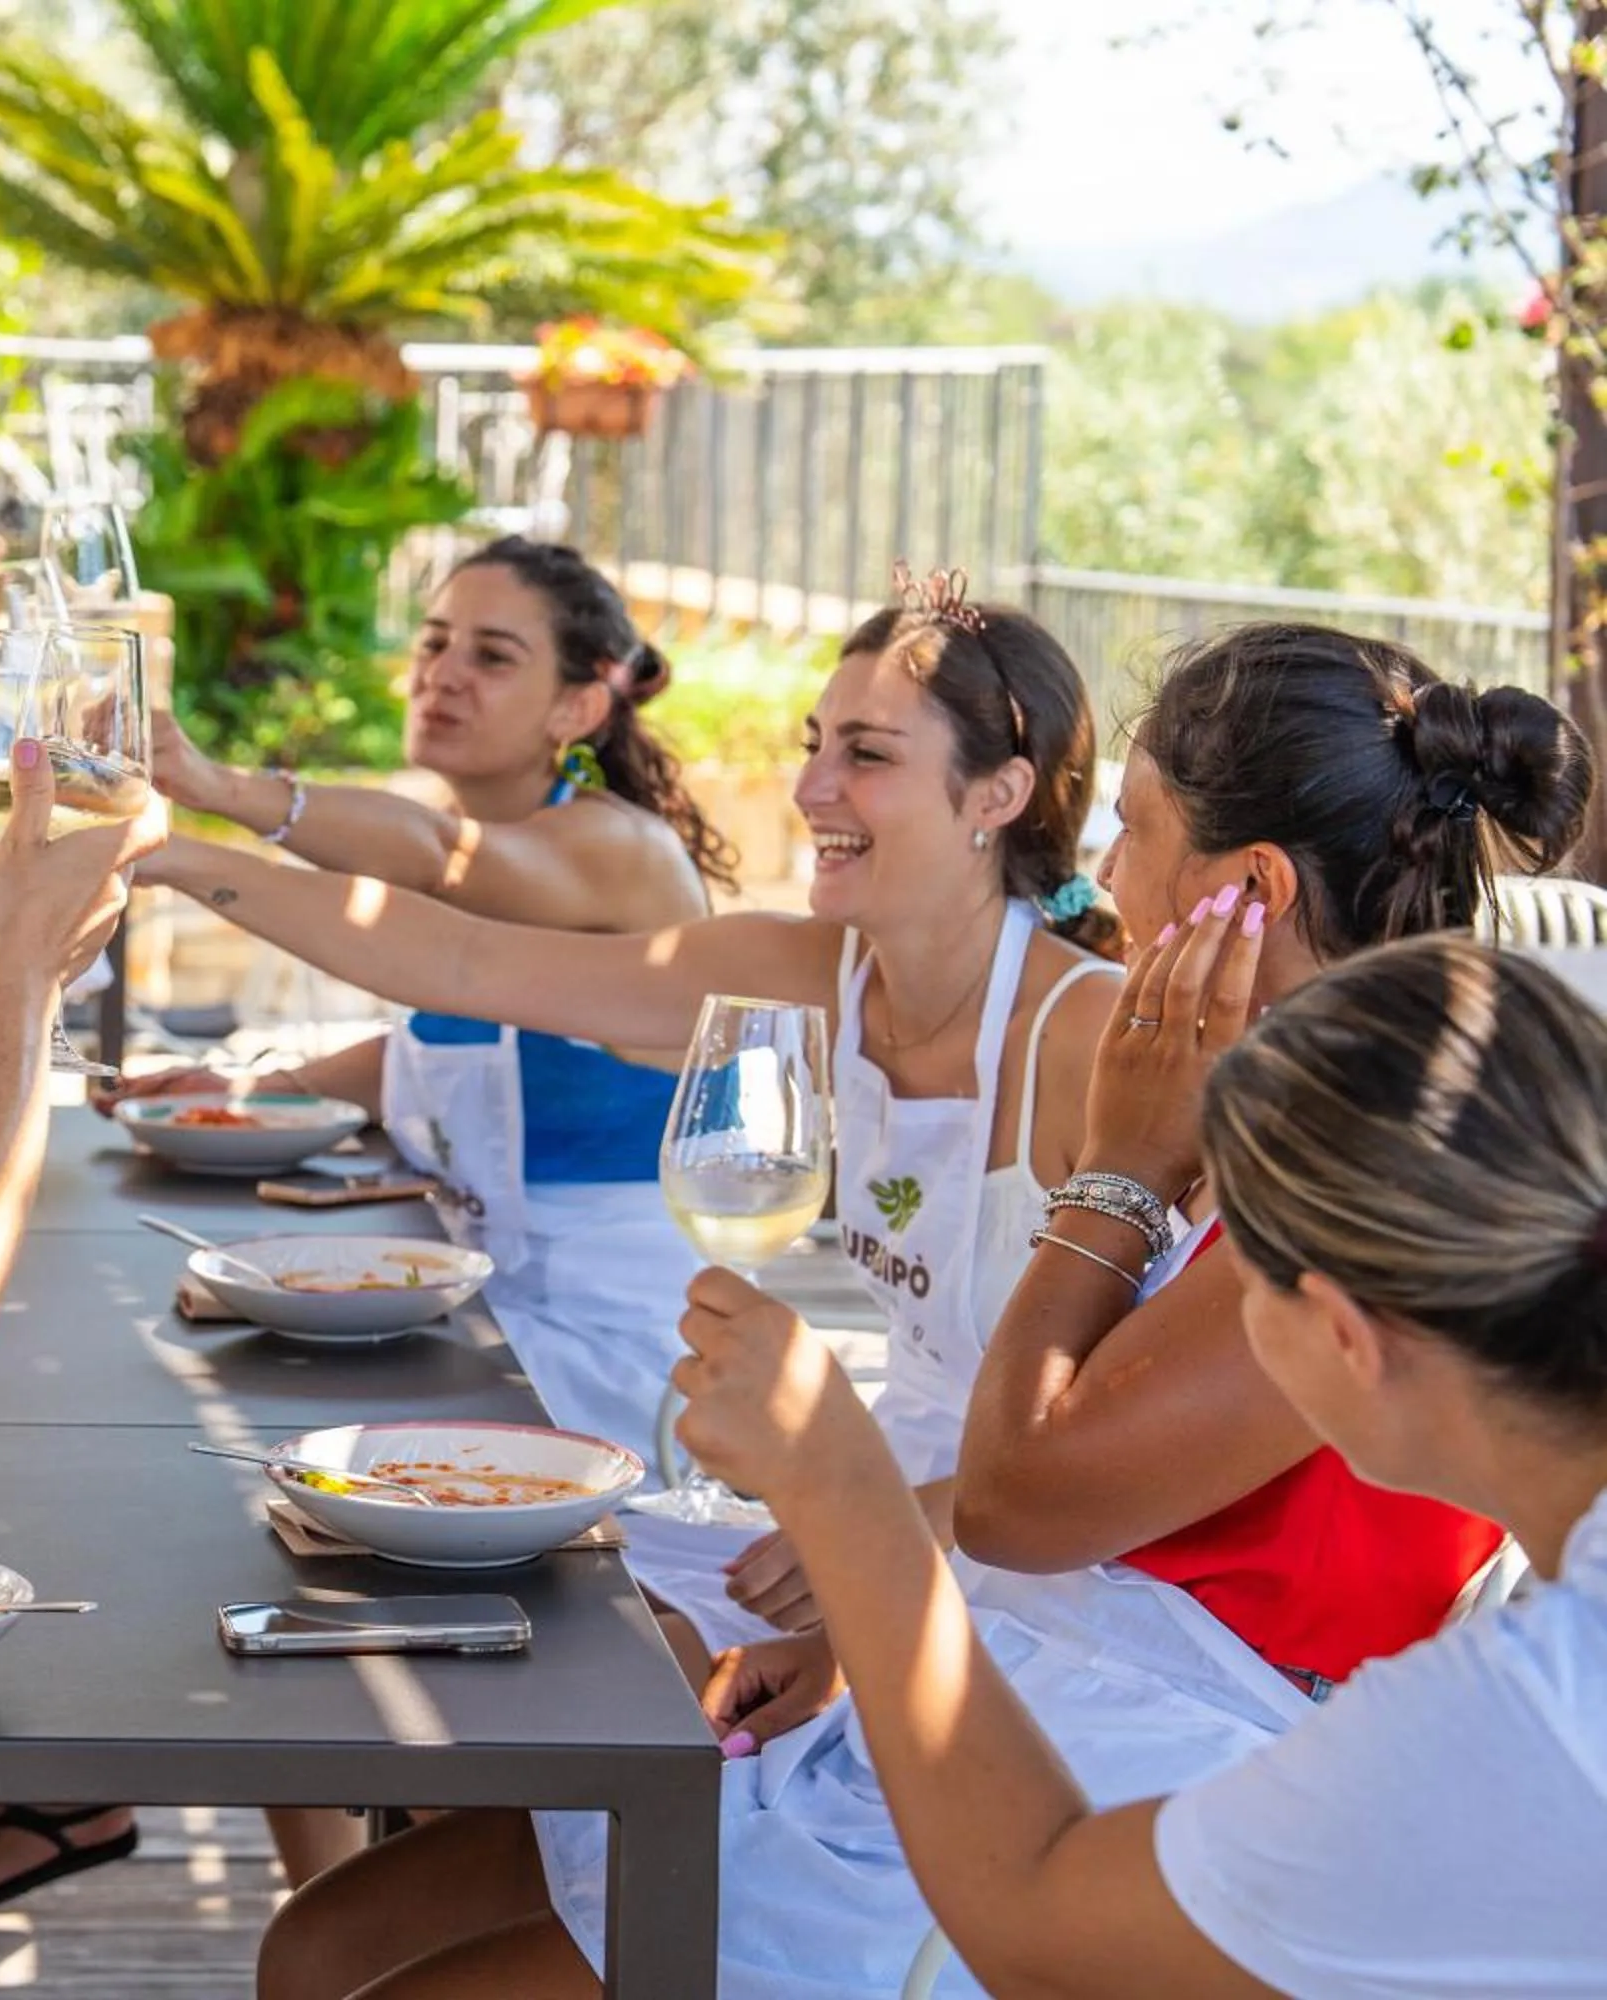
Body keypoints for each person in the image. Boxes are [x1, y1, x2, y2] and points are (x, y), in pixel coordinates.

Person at [252, 623, 1589, 1998]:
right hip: (1003, 1671)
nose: (1105, 873)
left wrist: (1119, 1177)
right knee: (320, 1949)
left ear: (1250, 883)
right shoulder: (1254, 1100)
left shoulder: (1353, 1168)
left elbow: (1017, 1497)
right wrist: (848, 1626)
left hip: (1140, 1775)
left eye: (1134, 830)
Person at [0, 536, 729, 1915]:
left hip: (603, 1352)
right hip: (488, 1314)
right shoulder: (499, 859)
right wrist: (257, 1076)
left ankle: (192, 1807)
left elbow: (440, 870)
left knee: (255, 1479)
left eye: (491, 655)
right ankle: (310, 1870)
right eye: (436, 641)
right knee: (237, 1441)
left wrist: (204, 797)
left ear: (586, 705)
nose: (442, 673)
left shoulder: (613, 852)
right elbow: (455, 1029)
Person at [143, 576, 1124, 1655]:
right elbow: (459, 957)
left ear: (999, 794)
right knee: (450, 1598)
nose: (810, 787)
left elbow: (1152, 1422)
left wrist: (884, 1529)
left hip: (1035, 1566)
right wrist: (173, 859)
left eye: (867, 754)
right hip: (868, 1506)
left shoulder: (1093, 1040)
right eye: (814, 745)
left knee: (544, 1639)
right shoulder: (808, 972)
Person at [662, 933, 1607, 1998]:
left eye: (1225, 1271)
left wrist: (837, 1483)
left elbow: (1035, 1927)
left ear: (1343, 1333)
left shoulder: (1534, 1714)